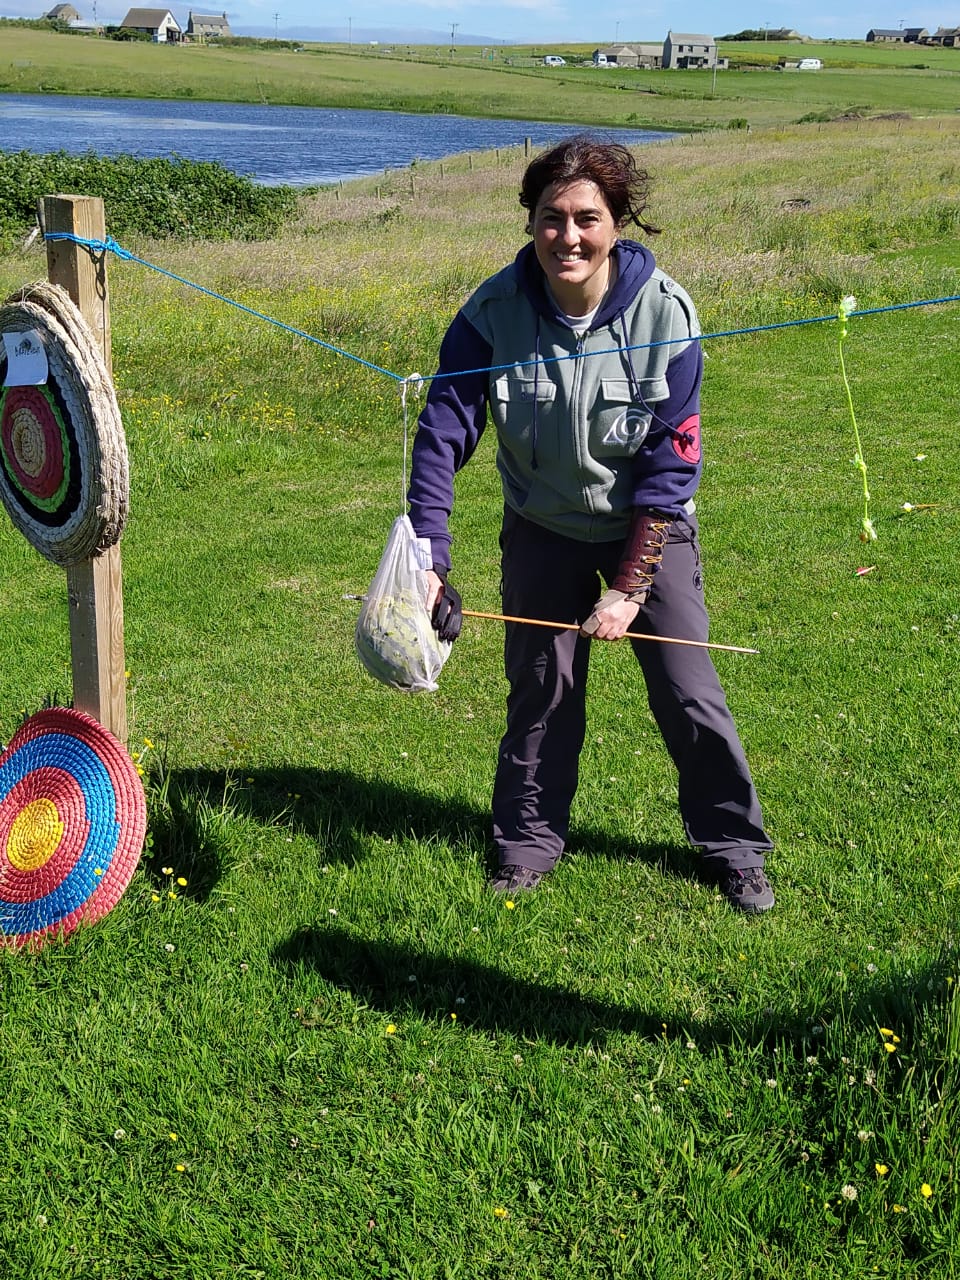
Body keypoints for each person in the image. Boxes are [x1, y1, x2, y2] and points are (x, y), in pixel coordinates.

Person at [407, 135, 774, 913]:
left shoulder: (665, 312)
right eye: (550, 217)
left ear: (617, 222)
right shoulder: (490, 314)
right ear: (529, 219)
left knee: (688, 690)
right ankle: (527, 844)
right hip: (542, 527)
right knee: (541, 692)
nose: (567, 236)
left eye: (586, 218)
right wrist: (428, 553)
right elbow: (443, 431)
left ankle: (735, 849)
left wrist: (633, 589)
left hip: (648, 528)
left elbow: (672, 472)